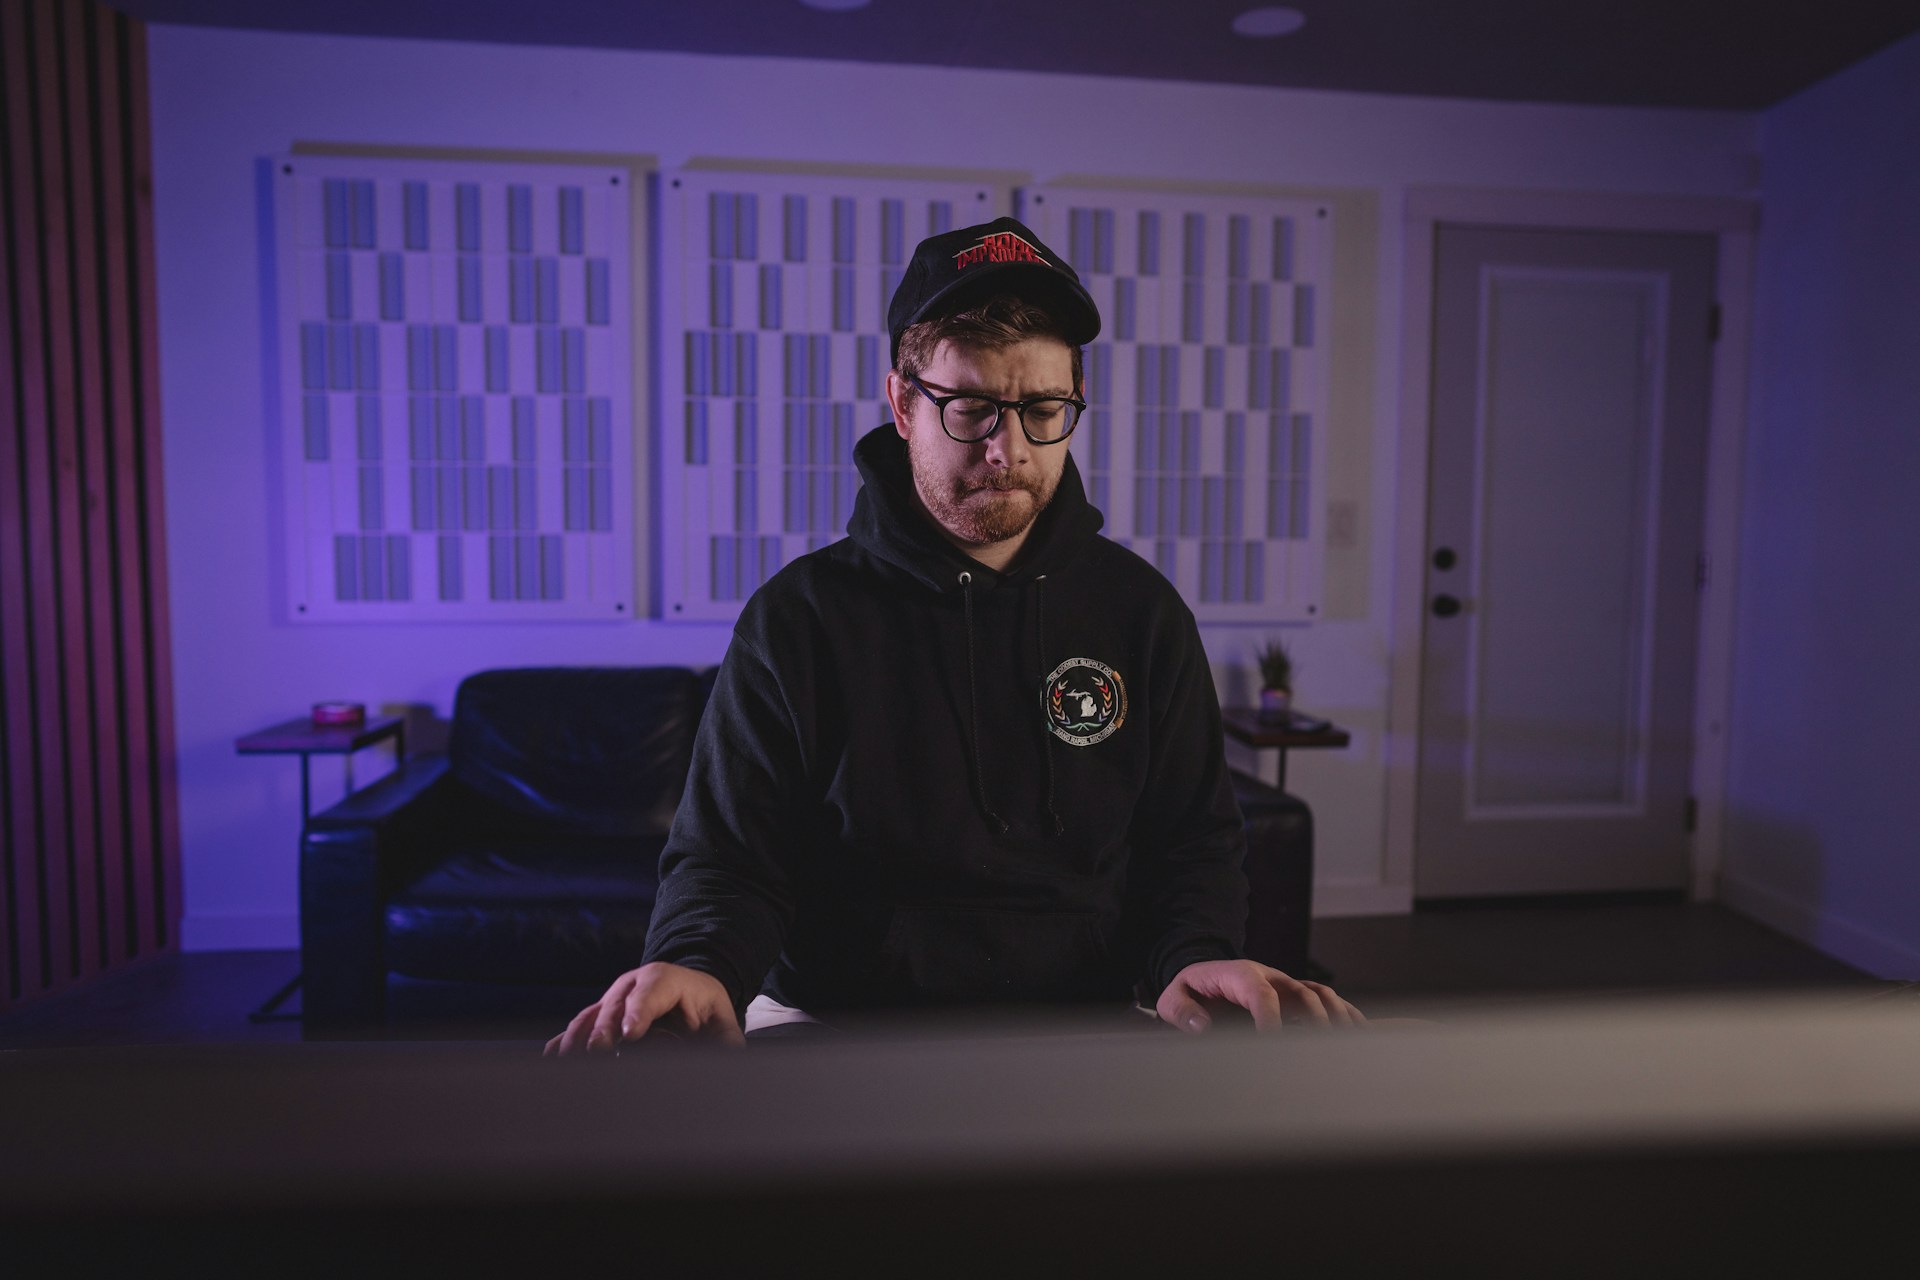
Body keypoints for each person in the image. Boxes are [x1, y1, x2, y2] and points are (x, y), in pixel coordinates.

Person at [547, 217, 1362, 1054]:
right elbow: (730, 856)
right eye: (971, 408)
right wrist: (699, 963)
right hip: (836, 1019)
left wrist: (1194, 957)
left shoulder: (1141, 614)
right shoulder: (798, 619)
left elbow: (1192, 844)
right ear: (903, 403)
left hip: (1086, 1023)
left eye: (1044, 408)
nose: (1008, 450)